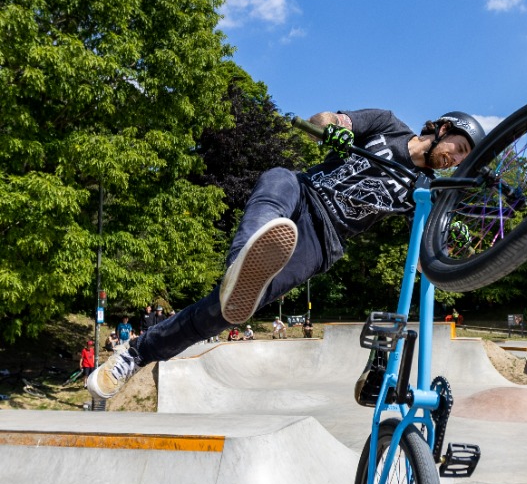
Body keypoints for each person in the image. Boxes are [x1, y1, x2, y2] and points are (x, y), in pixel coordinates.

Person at [88, 108, 482, 399]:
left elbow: (432, 229)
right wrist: (333, 131)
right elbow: (328, 118)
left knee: (226, 312)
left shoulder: (424, 186)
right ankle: (241, 264)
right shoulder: (387, 125)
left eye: (462, 158)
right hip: (303, 191)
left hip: (322, 240)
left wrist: (453, 227)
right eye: (457, 147)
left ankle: (137, 354)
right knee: (277, 176)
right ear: (443, 128)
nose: (455, 159)